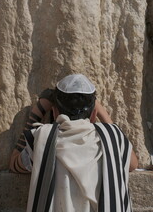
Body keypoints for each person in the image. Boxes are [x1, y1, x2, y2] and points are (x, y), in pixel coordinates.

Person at [10, 74, 138, 211]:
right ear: (93, 114)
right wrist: (102, 112)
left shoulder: (44, 138)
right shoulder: (111, 136)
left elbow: (14, 164)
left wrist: (38, 110)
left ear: (54, 112)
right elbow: (132, 163)